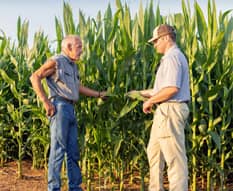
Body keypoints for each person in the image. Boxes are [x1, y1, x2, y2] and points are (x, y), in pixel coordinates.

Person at [30, 35, 106, 191]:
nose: (81, 50)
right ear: (68, 47)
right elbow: (35, 76)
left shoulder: (72, 65)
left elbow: (77, 87)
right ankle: (54, 188)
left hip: (70, 108)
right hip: (59, 107)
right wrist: (46, 101)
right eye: (79, 46)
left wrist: (98, 94)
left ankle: (75, 187)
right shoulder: (56, 62)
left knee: (73, 151)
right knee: (58, 150)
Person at [137, 24, 190, 190]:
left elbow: (172, 89)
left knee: (175, 159)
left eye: (156, 41)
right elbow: (162, 89)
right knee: (154, 152)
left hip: (170, 110)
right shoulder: (171, 57)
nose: (154, 45)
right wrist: (140, 93)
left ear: (166, 38)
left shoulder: (172, 57)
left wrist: (150, 101)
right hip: (164, 111)